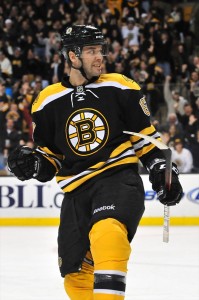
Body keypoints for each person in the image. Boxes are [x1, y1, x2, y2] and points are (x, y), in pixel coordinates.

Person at [7, 25, 183, 300]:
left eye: (100, 50)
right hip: (75, 195)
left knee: (108, 234)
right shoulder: (46, 100)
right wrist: (34, 164)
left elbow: (146, 140)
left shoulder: (120, 86)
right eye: (91, 51)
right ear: (72, 56)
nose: (100, 56)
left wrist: (162, 168)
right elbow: (51, 157)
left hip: (118, 181)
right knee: (75, 276)